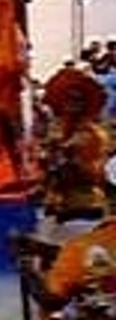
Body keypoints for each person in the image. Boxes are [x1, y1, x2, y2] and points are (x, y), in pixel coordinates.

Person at [39, 66, 110, 241]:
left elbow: (89, 173)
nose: (72, 103)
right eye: (68, 98)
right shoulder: (57, 132)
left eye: (78, 99)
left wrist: (59, 159)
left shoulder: (91, 134)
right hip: (59, 212)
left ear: (86, 103)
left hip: (85, 210)